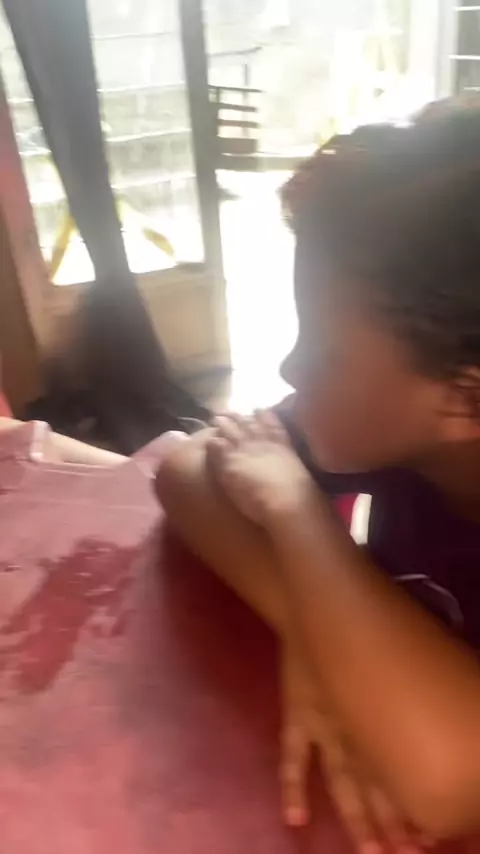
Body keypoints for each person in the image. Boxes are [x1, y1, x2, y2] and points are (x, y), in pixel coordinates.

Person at [156, 99, 480, 854]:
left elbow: (452, 784)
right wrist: (312, 628)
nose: (289, 367)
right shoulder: (389, 440)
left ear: (467, 398)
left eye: (323, 350)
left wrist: (297, 512)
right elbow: (188, 467)